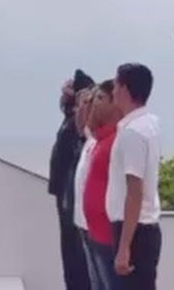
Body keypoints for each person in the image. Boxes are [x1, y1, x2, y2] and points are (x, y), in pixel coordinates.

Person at [107, 63, 162, 290]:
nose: (113, 92)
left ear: (126, 89)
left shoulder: (133, 131)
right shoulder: (149, 124)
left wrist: (124, 247)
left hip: (135, 230)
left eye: (116, 86)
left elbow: (134, 190)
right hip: (144, 230)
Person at [48, 68, 93, 290]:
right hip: (65, 196)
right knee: (70, 258)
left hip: (74, 202)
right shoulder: (69, 120)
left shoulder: (82, 130)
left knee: (79, 260)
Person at [83, 80, 120, 290]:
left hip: (109, 234)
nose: (94, 104)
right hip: (94, 230)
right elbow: (87, 128)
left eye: (99, 98)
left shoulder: (118, 140)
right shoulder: (101, 139)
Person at [73, 86, 98, 287]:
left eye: (87, 104)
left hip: (97, 228)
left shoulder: (103, 142)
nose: (80, 110)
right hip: (83, 223)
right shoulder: (90, 141)